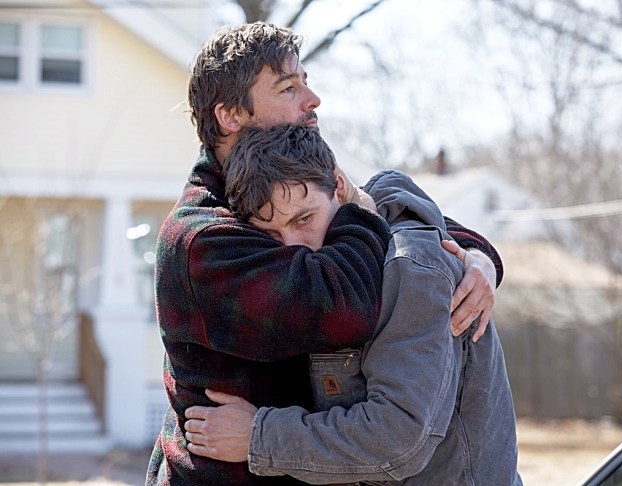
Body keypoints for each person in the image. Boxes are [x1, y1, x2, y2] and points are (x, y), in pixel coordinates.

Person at [146, 21, 504, 485]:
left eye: (306, 81)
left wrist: (473, 252)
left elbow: (367, 217)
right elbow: (346, 302)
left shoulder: (274, 193)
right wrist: (376, 217)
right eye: (287, 88)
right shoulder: (204, 239)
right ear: (230, 115)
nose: (312, 99)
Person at [184, 124, 521, 485]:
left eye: (304, 219)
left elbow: (399, 438)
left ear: (339, 186)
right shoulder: (333, 273)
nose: (295, 247)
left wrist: (258, 436)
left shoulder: (412, 268)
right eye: (272, 234)